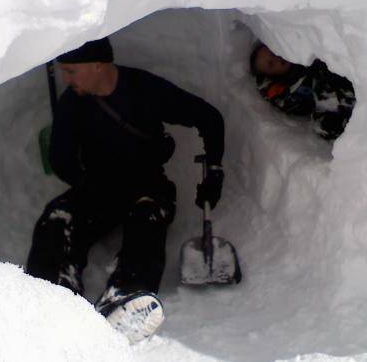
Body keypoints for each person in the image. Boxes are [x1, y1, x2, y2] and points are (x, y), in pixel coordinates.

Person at [26, 37, 225, 343]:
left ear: (97, 64)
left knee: (148, 217)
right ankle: (50, 293)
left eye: (71, 71)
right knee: (58, 216)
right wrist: (83, 181)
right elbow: (62, 161)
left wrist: (214, 171)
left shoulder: (144, 89)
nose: (67, 79)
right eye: (63, 72)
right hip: (98, 187)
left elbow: (209, 118)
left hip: (148, 184)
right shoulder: (71, 103)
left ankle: (125, 299)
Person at [249, 42, 356, 140]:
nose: (277, 59)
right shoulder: (286, 92)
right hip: (325, 103)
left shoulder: (303, 54)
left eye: (273, 53)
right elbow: (300, 108)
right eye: (271, 64)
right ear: (271, 75)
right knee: (323, 126)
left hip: (342, 82)